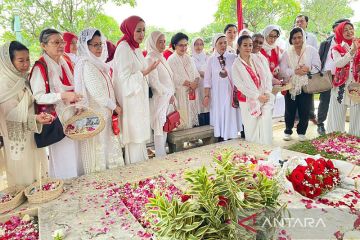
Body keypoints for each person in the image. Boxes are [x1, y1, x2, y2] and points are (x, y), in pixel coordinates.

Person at [30, 28, 83, 179]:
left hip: (71, 115)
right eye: (55, 42)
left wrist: (76, 103)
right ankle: (65, 184)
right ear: (44, 46)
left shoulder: (65, 61)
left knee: (75, 153)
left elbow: (73, 86)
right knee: (63, 155)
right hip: (57, 119)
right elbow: (39, 97)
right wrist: (62, 95)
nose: (60, 45)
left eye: (62, 42)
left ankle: (78, 185)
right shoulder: (40, 67)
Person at [0, 41, 53, 186]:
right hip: (16, 139)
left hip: (33, 132)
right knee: (23, 177)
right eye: (21, 60)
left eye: (28, 59)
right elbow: (10, 116)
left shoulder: (24, 79)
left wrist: (40, 115)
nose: (26, 64)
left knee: (39, 176)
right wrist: (35, 118)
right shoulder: (5, 84)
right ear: (9, 62)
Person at [74, 28, 124, 173]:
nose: (99, 48)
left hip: (106, 114)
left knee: (108, 147)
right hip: (97, 115)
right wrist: (115, 107)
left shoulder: (98, 64)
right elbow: (98, 93)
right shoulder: (87, 65)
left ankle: (112, 176)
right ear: (85, 46)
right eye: (95, 45)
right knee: (100, 149)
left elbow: (108, 88)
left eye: (100, 44)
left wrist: (115, 104)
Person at [112, 16, 159, 164]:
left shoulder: (135, 48)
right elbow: (124, 80)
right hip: (130, 100)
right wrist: (146, 72)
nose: (141, 34)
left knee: (140, 137)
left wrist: (147, 71)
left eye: (144, 30)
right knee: (134, 136)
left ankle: (142, 164)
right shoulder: (123, 48)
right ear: (129, 30)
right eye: (138, 30)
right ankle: (135, 168)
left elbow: (141, 69)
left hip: (138, 98)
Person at [279, 27, 321, 142]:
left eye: (299, 37)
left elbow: (318, 66)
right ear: (290, 40)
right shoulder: (287, 53)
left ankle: (302, 132)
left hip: (306, 85)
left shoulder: (311, 50)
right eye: (294, 38)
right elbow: (282, 70)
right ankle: (288, 131)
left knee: (305, 110)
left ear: (303, 38)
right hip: (291, 85)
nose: (297, 40)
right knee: (289, 110)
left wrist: (309, 69)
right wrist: (294, 72)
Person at [232, 35, 274, 145]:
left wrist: (266, 92)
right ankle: (254, 150)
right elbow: (240, 86)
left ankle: (266, 147)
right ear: (238, 46)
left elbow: (267, 76)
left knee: (265, 122)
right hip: (247, 100)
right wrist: (257, 96)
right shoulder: (236, 65)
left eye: (250, 45)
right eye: (245, 45)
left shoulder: (258, 59)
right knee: (251, 126)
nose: (248, 48)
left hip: (264, 97)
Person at [203, 33, 242, 141]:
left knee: (230, 111)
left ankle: (232, 134)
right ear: (215, 44)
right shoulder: (211, 59)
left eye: (225, 42)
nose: (223, 45)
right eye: (220, 43)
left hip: (230, 91)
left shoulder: (233, 57)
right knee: (219, 112)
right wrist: (206, 96)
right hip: (217, 93)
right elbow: (207, 79)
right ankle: (221, 136)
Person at [316, 19, 350, 135]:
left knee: (339, 101)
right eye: (340, 27)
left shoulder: (347, 43)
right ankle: (320, 124)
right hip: (327, 75)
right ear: (334, 29)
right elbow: (319, 59)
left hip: (342, 77)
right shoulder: (326, 43)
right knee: (324, 100)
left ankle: (338, 127)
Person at [327, 21, 360, 137]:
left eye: (351, 28)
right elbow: (339, 63)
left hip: (356, 87)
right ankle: (335, 139)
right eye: (345, 30)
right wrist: (352, 51)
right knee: (337, 113)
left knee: (357, 115)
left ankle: (356, 138)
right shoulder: (336, 48)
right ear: (340, 32)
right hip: (340, 86)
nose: (349, 31)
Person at [145, 31, 176, 157]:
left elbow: (169, 78)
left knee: (165, 127)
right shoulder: (150, 58)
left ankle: (162, 155)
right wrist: (168, 93)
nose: (163, 44)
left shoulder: (161, 57)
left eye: (164, 41)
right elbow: (154, 83)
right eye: (159, 41)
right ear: (152, 42)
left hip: (167, 98)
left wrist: (171, 94)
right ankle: (160, 156)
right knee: (159, 128)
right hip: (159, 99)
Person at [168, 32, 200, 129]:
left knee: (191, 117)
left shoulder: (189, 58)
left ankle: (192, 137)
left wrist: (195, 83)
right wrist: (190, 84)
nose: (184, 48)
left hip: (191, 92)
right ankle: (182, 139)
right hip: (180, 93)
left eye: (185, 45)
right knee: (182, 120)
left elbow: (196, 74)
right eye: (181, 45)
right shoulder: (171, 59)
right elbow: (174, 77)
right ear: (175, 45)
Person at [295, 14, 318, 123]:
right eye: (297, 21)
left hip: (308, 71)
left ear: (307, 23)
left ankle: (311, 115)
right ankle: (297, 119)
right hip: (296, 71)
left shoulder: (312, 37)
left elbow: (315, 53)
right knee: (296, 93)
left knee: (309, 93)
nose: (299, 23)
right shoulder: (291, 37)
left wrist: (310, 68)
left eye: (302, 21)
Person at [191, 37, 209, 125]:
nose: (199, 47)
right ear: (192, 46)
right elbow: (195, 72)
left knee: (208, 105)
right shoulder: (191, 59)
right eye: (196, 44)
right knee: (200, 105)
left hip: (207, 85)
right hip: (198, 85)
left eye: (201, 44)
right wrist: (206, 75)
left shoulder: (207, 57)